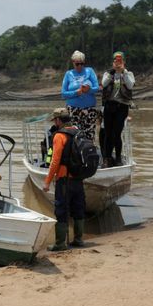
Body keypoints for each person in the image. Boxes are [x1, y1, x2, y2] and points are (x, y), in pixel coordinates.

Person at [43, 108, 87, 251]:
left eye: (55, 121)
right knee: (78, 208)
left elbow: (55, 162)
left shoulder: (59, 136)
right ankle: (79, 239)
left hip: (64, 179)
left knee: (61, 210)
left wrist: (47, 182)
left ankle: (60, 243)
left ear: (58, 120)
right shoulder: (78, 132)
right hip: (78, 178)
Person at [101, 51, 135, 167]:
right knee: (108, 134)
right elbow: (104, 84)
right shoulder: (108, 73)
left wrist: (123, 72)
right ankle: (107, 158)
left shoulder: (128, 74)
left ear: (124, 62)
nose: (118, 63)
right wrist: (113, 72)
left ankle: (118, 158)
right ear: (113, 62)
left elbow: (130, 85)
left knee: (117, 133)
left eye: (120, 60)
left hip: (122, 107)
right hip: (109, 106)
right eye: (116, 60)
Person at [61, 50, 99, 141]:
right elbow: (63, 93)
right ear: (73, 63)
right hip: (73, 110)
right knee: (74, 135)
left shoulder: (90, 71)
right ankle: (75, 154)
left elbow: (97, 88)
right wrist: (75, 93)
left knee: (89, 135)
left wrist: (88, 90)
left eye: (82, 64)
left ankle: (89, 153)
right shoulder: (68, 74)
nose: (80, 66)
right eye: (77, 64)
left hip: (89, 109)